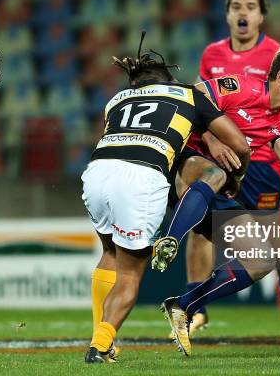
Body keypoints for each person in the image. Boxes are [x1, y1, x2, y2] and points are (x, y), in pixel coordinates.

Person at [158, 41, 280, 356]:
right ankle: (169, 239)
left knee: (260, 261)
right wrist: (213, 139)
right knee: (212, 175)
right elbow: (193, 97)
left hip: (219, 191)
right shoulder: (240, 86)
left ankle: (183, 306)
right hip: (187, 166)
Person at [83, 33, 250, 364]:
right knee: (131, 272)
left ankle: (99, 336)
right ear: (168, 78)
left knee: (110, 254)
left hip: (96, 172)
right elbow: (240, 144)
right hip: (143, 175)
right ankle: (100, 346)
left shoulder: (115, 100)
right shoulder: (187, 93)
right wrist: (238, 177)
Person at [185, 0, 280, 334]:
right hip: (223, 156)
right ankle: (194, 306)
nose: (243, 12)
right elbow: (203, 101)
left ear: (261, 17)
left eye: (250, 7)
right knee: (200, 223)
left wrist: (279, 132)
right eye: (236, 6)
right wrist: (213, 137)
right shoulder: (212, 54)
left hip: (264, 164)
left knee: (268, 232)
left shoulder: (278, 55)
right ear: (227, 14)